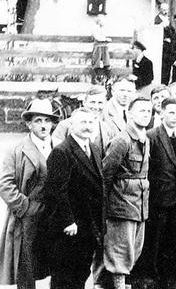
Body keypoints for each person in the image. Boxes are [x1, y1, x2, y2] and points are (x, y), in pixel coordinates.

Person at [41, 108, 104, 289]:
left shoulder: (94, 148)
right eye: (83, 122)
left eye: (91, 122)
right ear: (72, 125)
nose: (87, 126)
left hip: (89, 226)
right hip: (70, 228)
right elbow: (56, 191)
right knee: (64, 277)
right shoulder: (62, 151)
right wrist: (68, 221)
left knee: (81, 274)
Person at [0, 99, 57, 289]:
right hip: (26, 219)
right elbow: (5, 185)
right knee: (26, 268)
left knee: (54, 266)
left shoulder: (59, 148)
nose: (43, 125)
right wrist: (26, 208)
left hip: (53, 217)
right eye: (38, 120)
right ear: (29, 124)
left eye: (47, 121)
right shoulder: (16, 150)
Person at [133, 98, 176, 289]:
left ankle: (171, 280)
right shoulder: (152, 136)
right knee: (155, 242)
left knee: (175, 242)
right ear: (161, 113)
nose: (174, 117)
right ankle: (153, 280)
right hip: (159, 199)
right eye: (170, 112)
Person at [102, 96, 153, 289]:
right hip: (121, 204)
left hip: (139, 204)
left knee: (134, 249)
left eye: (148, 111)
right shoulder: (122, 140)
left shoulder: (144, 137)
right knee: (120, 252)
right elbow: (105, 174)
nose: (145, 114)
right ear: (129, 114)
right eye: (141, 111)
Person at [155, 3, 175, 84]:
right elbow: (155, 33)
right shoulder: (157, 20)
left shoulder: (169, 19)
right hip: (162, 48)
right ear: (159, 9)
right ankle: (162, 83)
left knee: (168, 68)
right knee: (163, 68)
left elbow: (173, 31)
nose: (166, 12)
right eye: (163, 10)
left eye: (167, 10)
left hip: (169, 48)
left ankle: (166, 83)